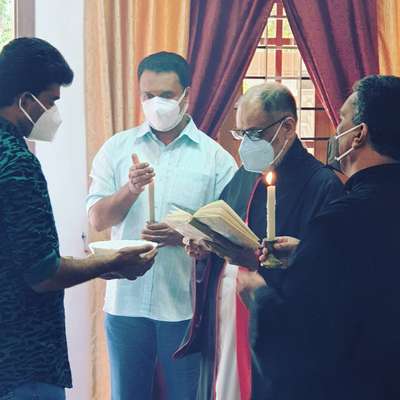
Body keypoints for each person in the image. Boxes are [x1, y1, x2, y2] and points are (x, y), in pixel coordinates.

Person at [0, 38, 157, 400]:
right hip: (22, 358)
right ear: (25, 100)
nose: (53, 111)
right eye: (51, 100)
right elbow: (43, 274)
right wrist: (110, 262)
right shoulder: (16, 162)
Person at [177, 82, 344, 400]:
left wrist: (260, 262)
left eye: (254, 133)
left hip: (272, 316)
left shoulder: (322, 184)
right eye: (241, 134)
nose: (245, 144)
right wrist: (205, 249)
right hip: (226, 311)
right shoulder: (244, 174)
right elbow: (223, 229)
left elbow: (326, 271)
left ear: (288, 127)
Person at [87, 51, 237, 400]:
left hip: (184, 306)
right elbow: (98, 219)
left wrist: (184, 233)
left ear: (186, 95)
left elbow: (231, 235)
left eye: (166, 95)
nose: (156, 104)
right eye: (148, 95)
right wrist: (130, 189)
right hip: (125, 304)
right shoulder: (117, 148)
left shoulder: (216, 159)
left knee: (188, 395)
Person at [250, 74, 400, 400]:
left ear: (359, 134)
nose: (337, 129)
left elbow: (298, 338)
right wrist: (308, 253)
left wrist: (259, 294)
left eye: (342, 119)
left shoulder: (340, 220)